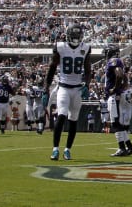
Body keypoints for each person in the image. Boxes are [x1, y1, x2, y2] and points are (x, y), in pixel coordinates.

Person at [45, 24, 92, 161]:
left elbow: (88, 70)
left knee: (73, 119)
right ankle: (55, 149)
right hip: (64, 87)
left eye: (78, 37)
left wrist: (87, 85)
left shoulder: (86, 48)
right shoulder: (60, 47)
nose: (76, 39)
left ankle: (67, 149)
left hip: (77, 88)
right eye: (74, 36)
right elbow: (52, 67)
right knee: (61, 115)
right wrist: (46, 87)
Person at [104, 44, 132, 157]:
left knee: (115, 123)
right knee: (118, 124)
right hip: (117, 95)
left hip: (114, 96)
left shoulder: (113, 61)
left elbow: (119, 74)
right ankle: (130, 147)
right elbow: (124, 77)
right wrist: (123, 87)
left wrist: (115, 88)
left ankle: (122, 148)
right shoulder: (118, 61)